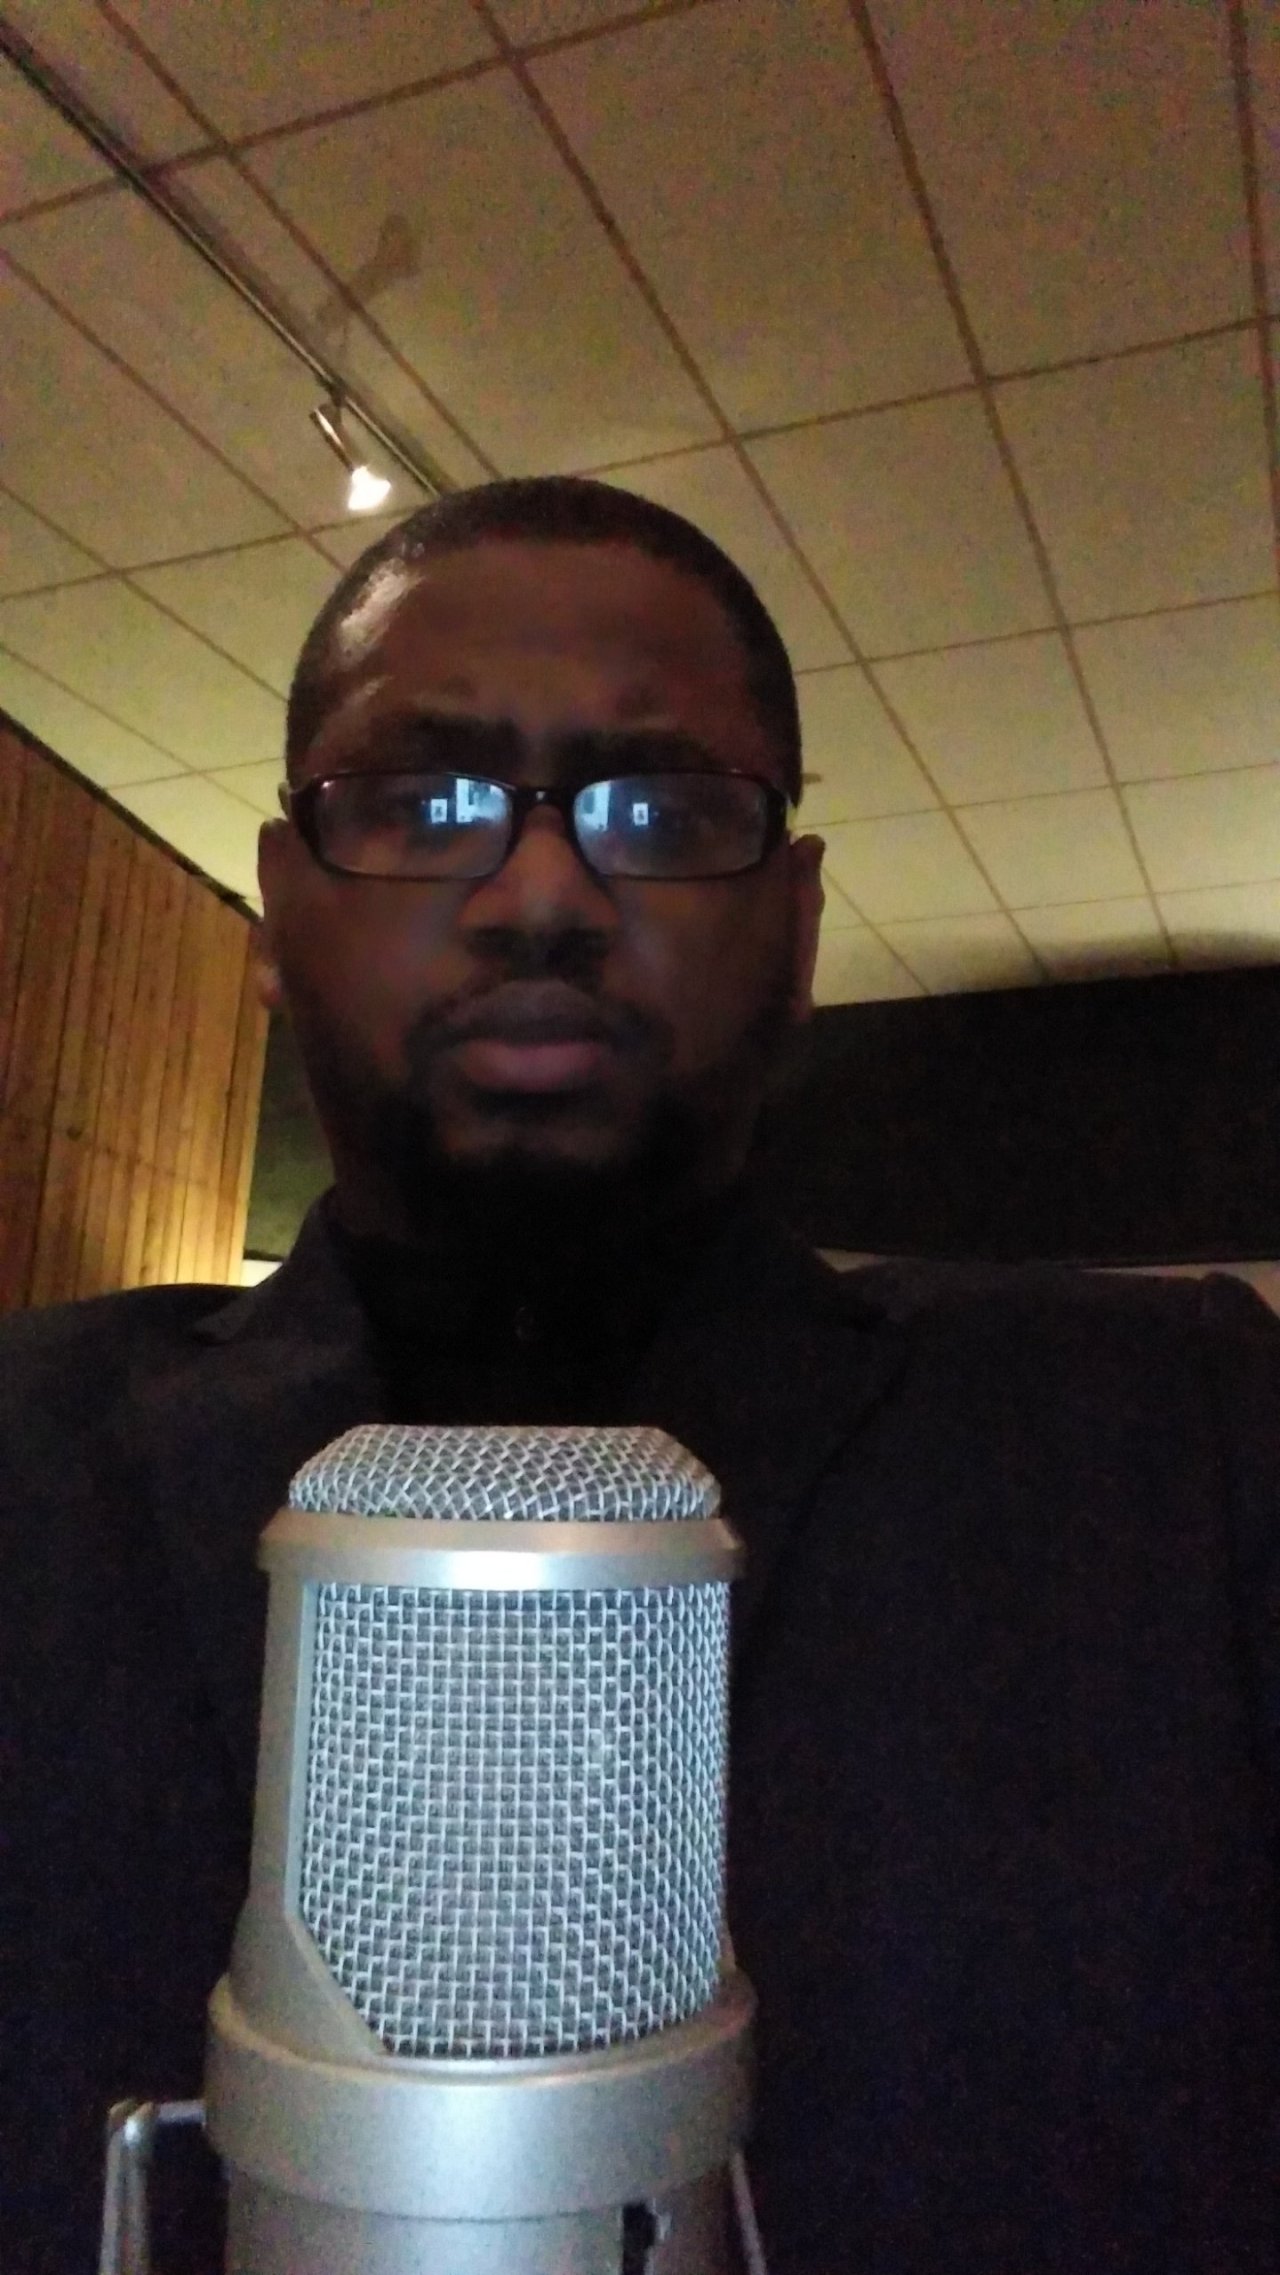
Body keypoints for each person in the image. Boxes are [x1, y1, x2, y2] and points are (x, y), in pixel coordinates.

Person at [1, 475, 1277, 2275]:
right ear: (277, 913)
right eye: (423, 802)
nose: (541, 892)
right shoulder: (21, 1454)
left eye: (662, 810)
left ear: (801, 926)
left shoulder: (1176, 1437)